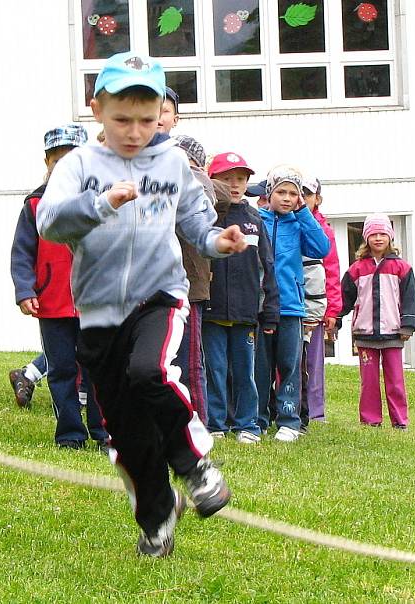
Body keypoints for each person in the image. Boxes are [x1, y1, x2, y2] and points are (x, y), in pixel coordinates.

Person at [36, 52, 247, 558]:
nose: (134, 132)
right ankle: (157, 521)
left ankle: (195, 464)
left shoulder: (173, 163)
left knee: (148, 372)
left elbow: (197, 225)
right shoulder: (80, 165)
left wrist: (222, 242)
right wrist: (101, 203)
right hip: (98, 309)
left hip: (159, 294)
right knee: (125, 432)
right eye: (121, 120)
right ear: (97, 111)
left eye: (147, 120)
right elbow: (49, 222)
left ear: (163, 115)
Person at [10, 124, 108, 449]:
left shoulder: (100, 201)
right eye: (58, 159)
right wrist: (25, 290)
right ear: (46, 162)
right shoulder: (36, 205)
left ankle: (104, 432)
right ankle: (69, 433)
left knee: (98, 369)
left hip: (94, 301)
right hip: (51, 304)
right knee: (61, 370)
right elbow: (23, 252)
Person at [205, 152, 279, 443]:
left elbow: (267, 267)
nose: (234, 185)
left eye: (240, 178)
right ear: (212, 180)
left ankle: (247, 424)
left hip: (246, 312)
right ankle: (216, 423)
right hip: (212, 310)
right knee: (215, 369)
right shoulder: (207, 216)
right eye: (226, 178)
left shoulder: (254, 219)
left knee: (246, 370)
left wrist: (270, 310)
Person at [255, 167, 330, 442]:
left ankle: (289, 420)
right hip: (262, 307)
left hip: (291, 306)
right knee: (259, 366)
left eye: (293, 193)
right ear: (269, 193)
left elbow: (321, 248)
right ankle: (259, 419)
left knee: (290, 365)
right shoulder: (257, 220)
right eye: (281, 192)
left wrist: (303, 213)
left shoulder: (299, 223)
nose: (286, 198)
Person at [338, 214, 415, 429]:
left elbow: (410, 299)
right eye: (373, 234)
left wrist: (408, 325)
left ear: (390, 237)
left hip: (393, 332)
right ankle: (370, 420)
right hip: (365, 334)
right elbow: (343, 298)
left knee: (395, 380)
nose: (378, 238)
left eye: (383, 234)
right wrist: (335, 319)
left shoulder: (402, 268)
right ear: (366, 238)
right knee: (369, 382)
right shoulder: (356, 269)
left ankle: (399, 420)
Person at [172, 133, 214, 426]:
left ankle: (196, 420)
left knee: (189, 361)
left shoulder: (201, 185)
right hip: (155, 284)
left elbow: (204, 207)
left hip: (190, 288)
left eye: (186, 161)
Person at [299, 176, 342, 431]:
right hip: (290, 304)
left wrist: (332, 309)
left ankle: (316, 410)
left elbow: (333, 270)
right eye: (299, 193)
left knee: (314, 361)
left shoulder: (324, 231)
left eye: (308, 194)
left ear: (318, 199)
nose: (302, 198)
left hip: (316, 305)